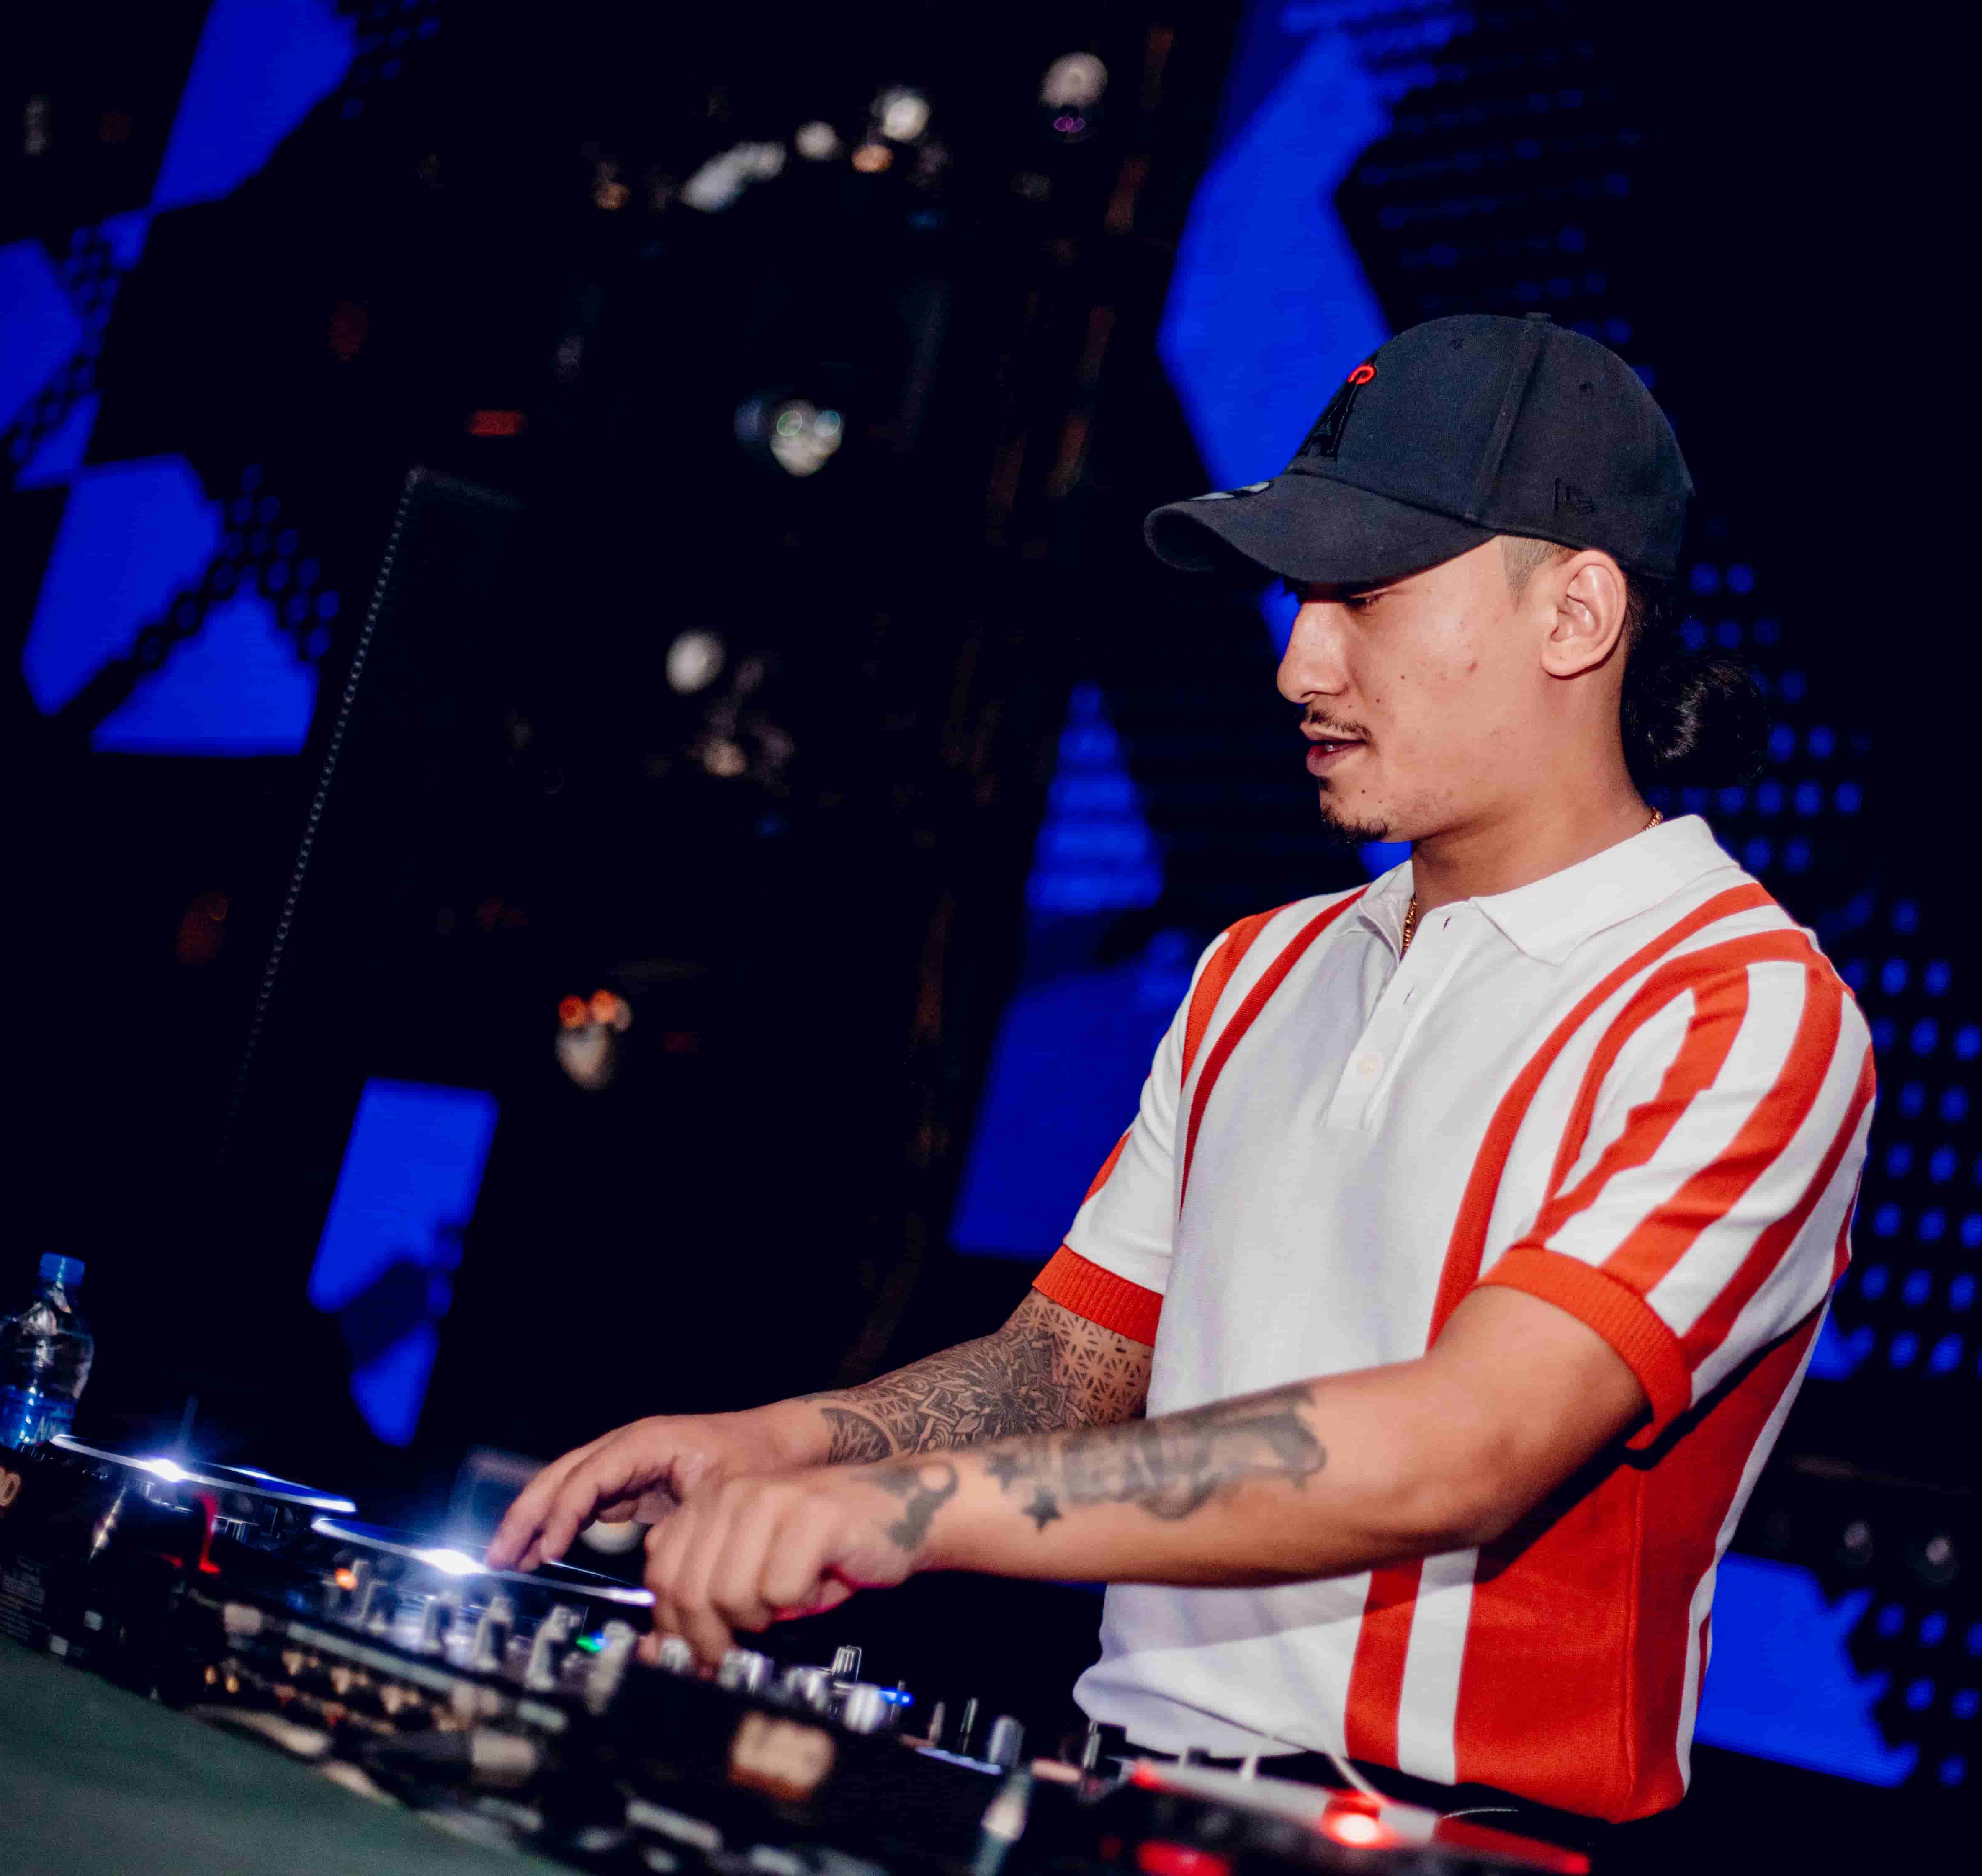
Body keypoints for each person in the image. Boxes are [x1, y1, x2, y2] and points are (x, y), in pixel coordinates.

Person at [490, 314, 1875, 1848]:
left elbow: (1471, 1444)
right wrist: (795, 1444)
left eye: (1365, 595)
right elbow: (1067, 1368)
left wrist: (910, 1515)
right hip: (1117, 1792)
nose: (1299, 662)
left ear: (1577, 614)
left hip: (1441, 1846)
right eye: (1300, 599)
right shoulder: (1257, 970)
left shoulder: (1741, 1010)